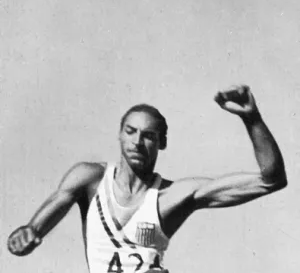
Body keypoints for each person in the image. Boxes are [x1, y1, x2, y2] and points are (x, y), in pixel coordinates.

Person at [7, 85, 287, 273]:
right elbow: (38, 224)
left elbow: (270, 180)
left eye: (148, 136)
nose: (137, 142)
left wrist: (252, 119)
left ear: (161, 143)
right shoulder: (90, 179)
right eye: (130, 132)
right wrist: (30, 232)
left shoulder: (171, 197)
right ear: (119, 134)